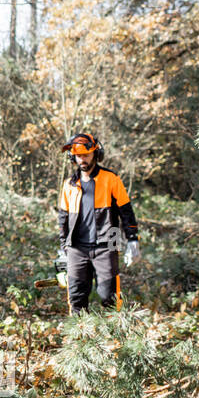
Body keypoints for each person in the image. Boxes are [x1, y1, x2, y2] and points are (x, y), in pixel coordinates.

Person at [56, 132, 139, 311]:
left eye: (86, 155)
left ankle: (114, 336)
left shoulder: (111, 179)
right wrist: (63, 247)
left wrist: (132, 238)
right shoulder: (69, 185)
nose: (82, 159)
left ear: (96, 154)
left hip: (107, 245)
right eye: (78, 156)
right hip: (76, 248)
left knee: (109, 296)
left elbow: (126, 212)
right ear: (73, 157)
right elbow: (63, 218)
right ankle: (80, 335)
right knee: (76, 297)